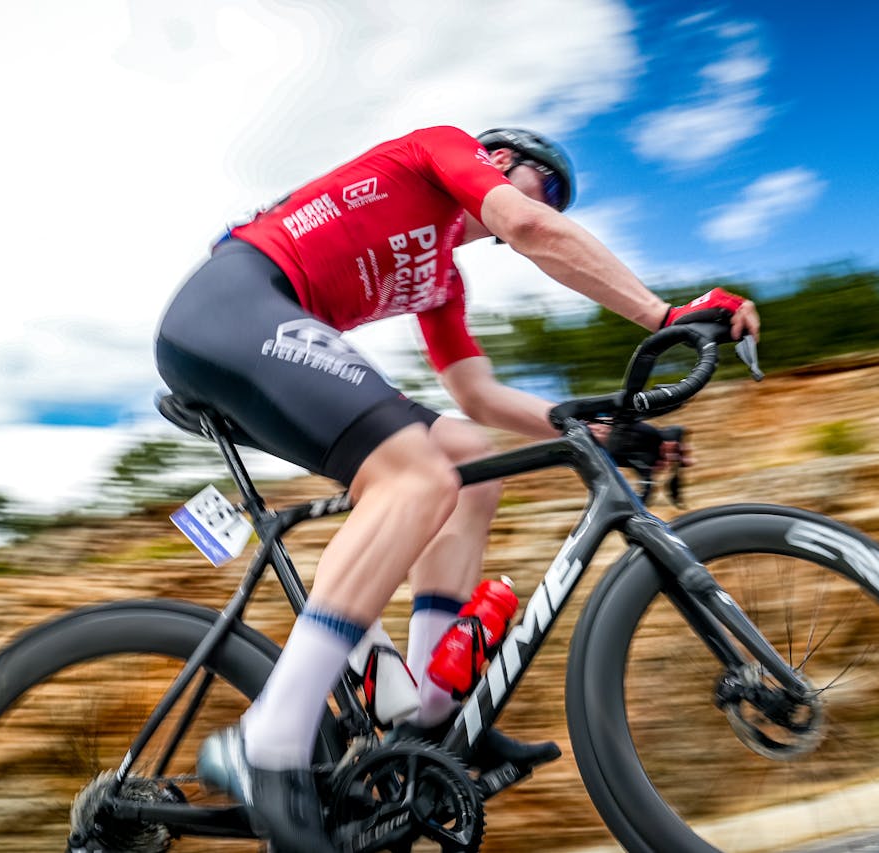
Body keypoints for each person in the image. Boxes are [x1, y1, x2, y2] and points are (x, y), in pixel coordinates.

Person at [155, 125, 759, 851]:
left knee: (466, 461)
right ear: (499, 161)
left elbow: (476, 394)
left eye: (565, 197)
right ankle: (268, 740)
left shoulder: (442, 276)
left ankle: (430, 714)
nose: (555, 205)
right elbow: (530, 224)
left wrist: (605, 432)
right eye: (551, 185)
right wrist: (666, 316)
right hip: (234, 305)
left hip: (267, 335)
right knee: (415, 476)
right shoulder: (437, 149)